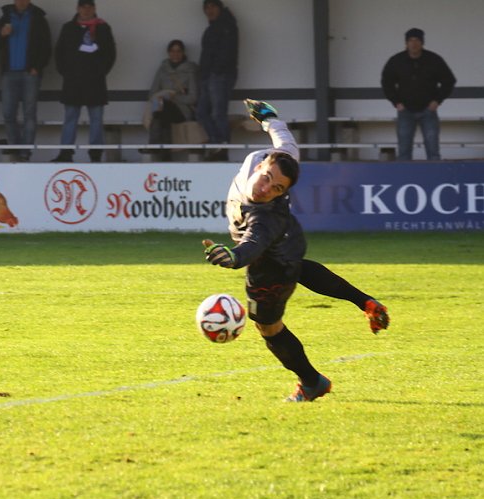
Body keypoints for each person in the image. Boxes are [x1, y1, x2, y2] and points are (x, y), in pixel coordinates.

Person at [201, 99, 390, 402]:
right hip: (288, 240)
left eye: (277, 189)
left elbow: (254, 243)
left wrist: (236, 256)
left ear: (284, 193)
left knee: (268, 326)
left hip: (268, 254)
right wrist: (269, 119)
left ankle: (312, 382)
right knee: (295, 266)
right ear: (262, 163)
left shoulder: (263, 216)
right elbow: (285, 140)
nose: (266, 188)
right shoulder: (275, 159)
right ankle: (365, 302)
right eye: (267, 178)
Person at [51, 0, 116, 163]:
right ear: (77, 8)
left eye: (89, 7)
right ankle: (65, 153)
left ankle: (95, 154)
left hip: (95, 81)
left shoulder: (103, 28)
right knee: (70, 117)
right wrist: (65, 72)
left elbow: (110, 53)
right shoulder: (69, 27)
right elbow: (59, 52)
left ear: (94, 8)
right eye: (83, 7)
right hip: (73, 80)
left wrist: (101, 72)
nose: (86, 10)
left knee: (96, 119)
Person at [380, 28, 456, 161]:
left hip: (428, 110)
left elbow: (449, 80)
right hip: (405, 111)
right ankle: (404, 179)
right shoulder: (396, 61)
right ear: (406, 43)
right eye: (410, 40)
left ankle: (434, 178)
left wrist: (437, 100)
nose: (414, 44)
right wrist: (396, 102)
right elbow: (386, 82)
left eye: (417, 40)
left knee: (433, 150)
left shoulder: (434, 59)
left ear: (422, 43)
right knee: (404, 151)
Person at [0, 0, 51, 162]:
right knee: (8, 114)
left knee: (29, 115)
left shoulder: (38, 18)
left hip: (29, 74)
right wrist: (2, 35)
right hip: (9, 73)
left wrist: (37, 67)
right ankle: (15, 148)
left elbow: (47, 46)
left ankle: (25, 153)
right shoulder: (5, 17)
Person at [196, 0, 238, 162]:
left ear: (219, 8)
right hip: (208, 76)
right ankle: (217, 144)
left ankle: (223, 149)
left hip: (220, 75)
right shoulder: (213, 28)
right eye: (206, 8)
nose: (209, 10)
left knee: (218, 113)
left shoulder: (227, 26)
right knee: (201, 112)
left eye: (213, 6)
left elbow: (227, 52)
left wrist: (217, 70)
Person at [146, 39, 199, 158]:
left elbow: (193, 97)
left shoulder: (190, 71)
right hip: (162, 107)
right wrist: (164, 96)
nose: (175, 54)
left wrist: (174, 98)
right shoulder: (162, 70)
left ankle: (154, 147)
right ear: (168, 53)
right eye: (172, 51)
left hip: (182, 110)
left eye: (178, 51)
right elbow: (152, 94)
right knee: (162, 112)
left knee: (161, 112)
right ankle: (164, 152)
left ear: (183, 53)